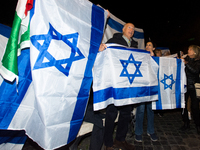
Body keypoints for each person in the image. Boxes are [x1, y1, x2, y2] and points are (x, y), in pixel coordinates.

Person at [99, 23, 137, 150]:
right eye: (129, 27)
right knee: (112, 113)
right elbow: (105, 54)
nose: (131, 30)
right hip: (115, 83)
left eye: (133, 28)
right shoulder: (114, 40)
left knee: (126, 113)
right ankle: (108, 142)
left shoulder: (135, 45)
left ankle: (120, 139)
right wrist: (103, 48)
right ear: (123, 29)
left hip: (129, 84)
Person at [134, 41, 158, 142]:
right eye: (147, 45)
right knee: (140, 110)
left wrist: (153, 58)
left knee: (151, 110)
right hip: (142, 88)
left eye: (150, 45)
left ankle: (151, 130)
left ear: (153, 48)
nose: (148, 46)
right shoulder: (141, 56)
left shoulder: (157, 59)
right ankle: (138, 132)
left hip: (152, 88)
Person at [180, 45, 200, 134]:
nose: (188, 50)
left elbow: (195, 71)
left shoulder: (198, 61)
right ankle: (186, 123)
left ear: (195, 52)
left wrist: (186, 63)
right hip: (185, 86)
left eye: (190, 49)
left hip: (193, 86)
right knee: (183, 106)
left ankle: (198, 125)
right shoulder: (186, 58)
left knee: (195, 107)